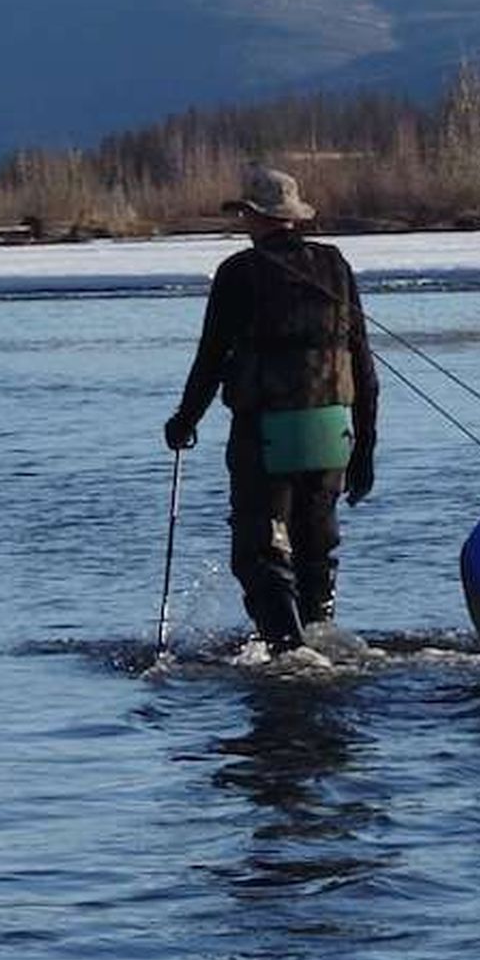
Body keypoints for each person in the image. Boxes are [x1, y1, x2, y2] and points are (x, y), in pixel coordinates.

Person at [164, 165, 378, 649]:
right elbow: (363, 363)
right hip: (331, 434)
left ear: (255, 216)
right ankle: (321, 642)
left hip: (267, 433)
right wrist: (364, 449)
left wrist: (184, 422)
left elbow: (211, 359)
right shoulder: (335, 265)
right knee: (315, 555)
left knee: (261, 554)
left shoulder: (238, 273)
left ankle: (288, 653)